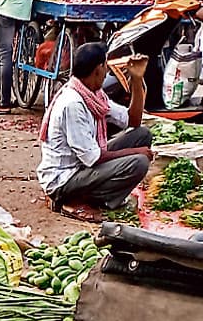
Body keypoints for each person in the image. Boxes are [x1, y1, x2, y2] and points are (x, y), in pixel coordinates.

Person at [38, 42, 152, 215]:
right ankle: (83, 199)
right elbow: (93, 158)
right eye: (105, 66)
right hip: (65, 179)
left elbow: (133, 121)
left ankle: (94, 195)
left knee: (142, 135)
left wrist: (137, 79)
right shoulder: (73, 103)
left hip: (84, 166)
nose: (107, 72)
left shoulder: (94, 94)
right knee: (139, 162)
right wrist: (135, 153)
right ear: (99, 68)